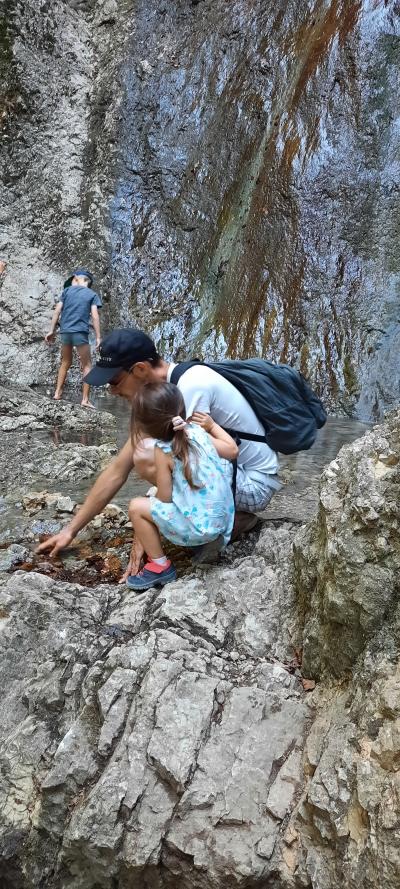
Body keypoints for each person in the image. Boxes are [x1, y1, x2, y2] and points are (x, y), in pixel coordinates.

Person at [37, 328, 280, 569]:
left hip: (254, 485)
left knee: (148, 454)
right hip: (231, 474)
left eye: (115, 381)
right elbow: (117, 471)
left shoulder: (190, 388)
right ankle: (222, 520)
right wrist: (70, 530)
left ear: (141, 369)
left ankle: (226, 523)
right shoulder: (164, 399)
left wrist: (145, 530)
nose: (112, 391)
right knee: (146, 450)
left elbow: (191, 462)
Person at [126, 381, 237, 590]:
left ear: (144, 425)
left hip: (200, 529)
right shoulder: (198, 432)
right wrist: (212, 426)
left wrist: (151, 499)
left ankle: (159, 566)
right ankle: (209, 540)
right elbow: (232, 451)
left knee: (136, 507)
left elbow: (165, 497)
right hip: (223, 522)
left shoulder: (162, 449)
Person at [45, 267, 102, 408]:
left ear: (77, 279)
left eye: (72, 280)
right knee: (87, 365)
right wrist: (99, 337)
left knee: (65, 362)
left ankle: (57, 393)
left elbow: (57, 311)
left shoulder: (66, 291)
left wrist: (51, 330)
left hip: (65, 333)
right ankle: (85, 399)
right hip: (80, 333)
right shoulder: (92, 294)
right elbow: (95, 316)